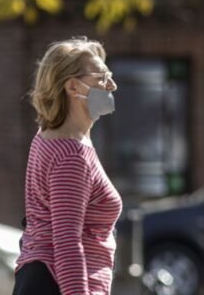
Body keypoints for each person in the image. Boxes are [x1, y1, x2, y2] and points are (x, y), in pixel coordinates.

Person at [13, 37, 123, 295]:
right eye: (102, 78)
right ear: (73, 87)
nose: (112, 85)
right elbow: (67, 243)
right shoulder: (71, 156)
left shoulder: (50, 136)